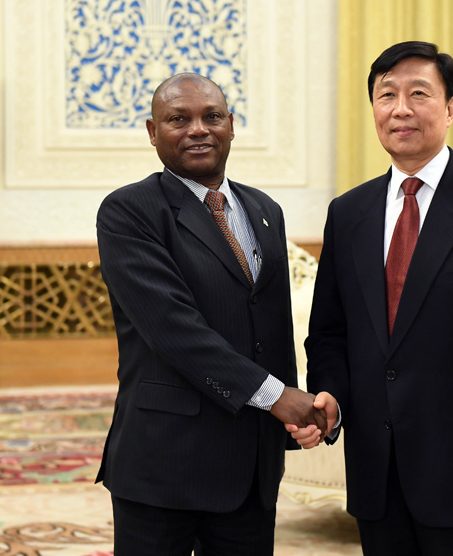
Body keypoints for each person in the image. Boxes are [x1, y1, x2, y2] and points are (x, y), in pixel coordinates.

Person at [290, 41, 453, 555]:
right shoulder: (349, 214)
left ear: (450, 108)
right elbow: (330, 333)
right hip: (375, 470)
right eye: (386, 95)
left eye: (418, 94)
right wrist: (331, 397)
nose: (401, 109)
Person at [96, 72, 327, 556]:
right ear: (153, 131)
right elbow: (174, 330)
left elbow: (272, 329)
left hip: (251, 465)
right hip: (164, 464)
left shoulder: (265, 209)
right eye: (178, 119)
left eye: (212, 116)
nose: (198, 129)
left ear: (232, 126)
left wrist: (293, 421)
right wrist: (279, 396)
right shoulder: (129, 211)